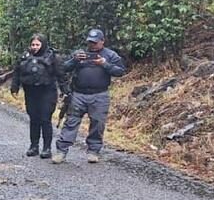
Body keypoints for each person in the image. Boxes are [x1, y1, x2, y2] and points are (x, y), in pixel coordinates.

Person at [52, 28, 127, 164]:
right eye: (90, 42)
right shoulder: (80, 54)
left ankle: (93, 151)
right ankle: (61, 151)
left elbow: (120, 71)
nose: (92, 45)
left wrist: (104, 64)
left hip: (100, 95)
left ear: (102, 41)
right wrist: (74, 60)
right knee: (71, 123)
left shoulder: (110, 55)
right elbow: (63, 68)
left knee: (98, 124)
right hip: (78, 94)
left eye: (95, 42)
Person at [10, 34, 61, 159]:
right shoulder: (25, 57)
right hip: (31, 92)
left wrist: (65, 91)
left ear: (43, 45)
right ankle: (34, 146)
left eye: (37, 45)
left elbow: (60, 74)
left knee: (45, 119)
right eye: (33, 44)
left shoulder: (51, 57)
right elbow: (17, 72)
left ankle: (47, 148)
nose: (35, 47)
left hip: (47, 92)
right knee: (34, 119)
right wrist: (14, 87)